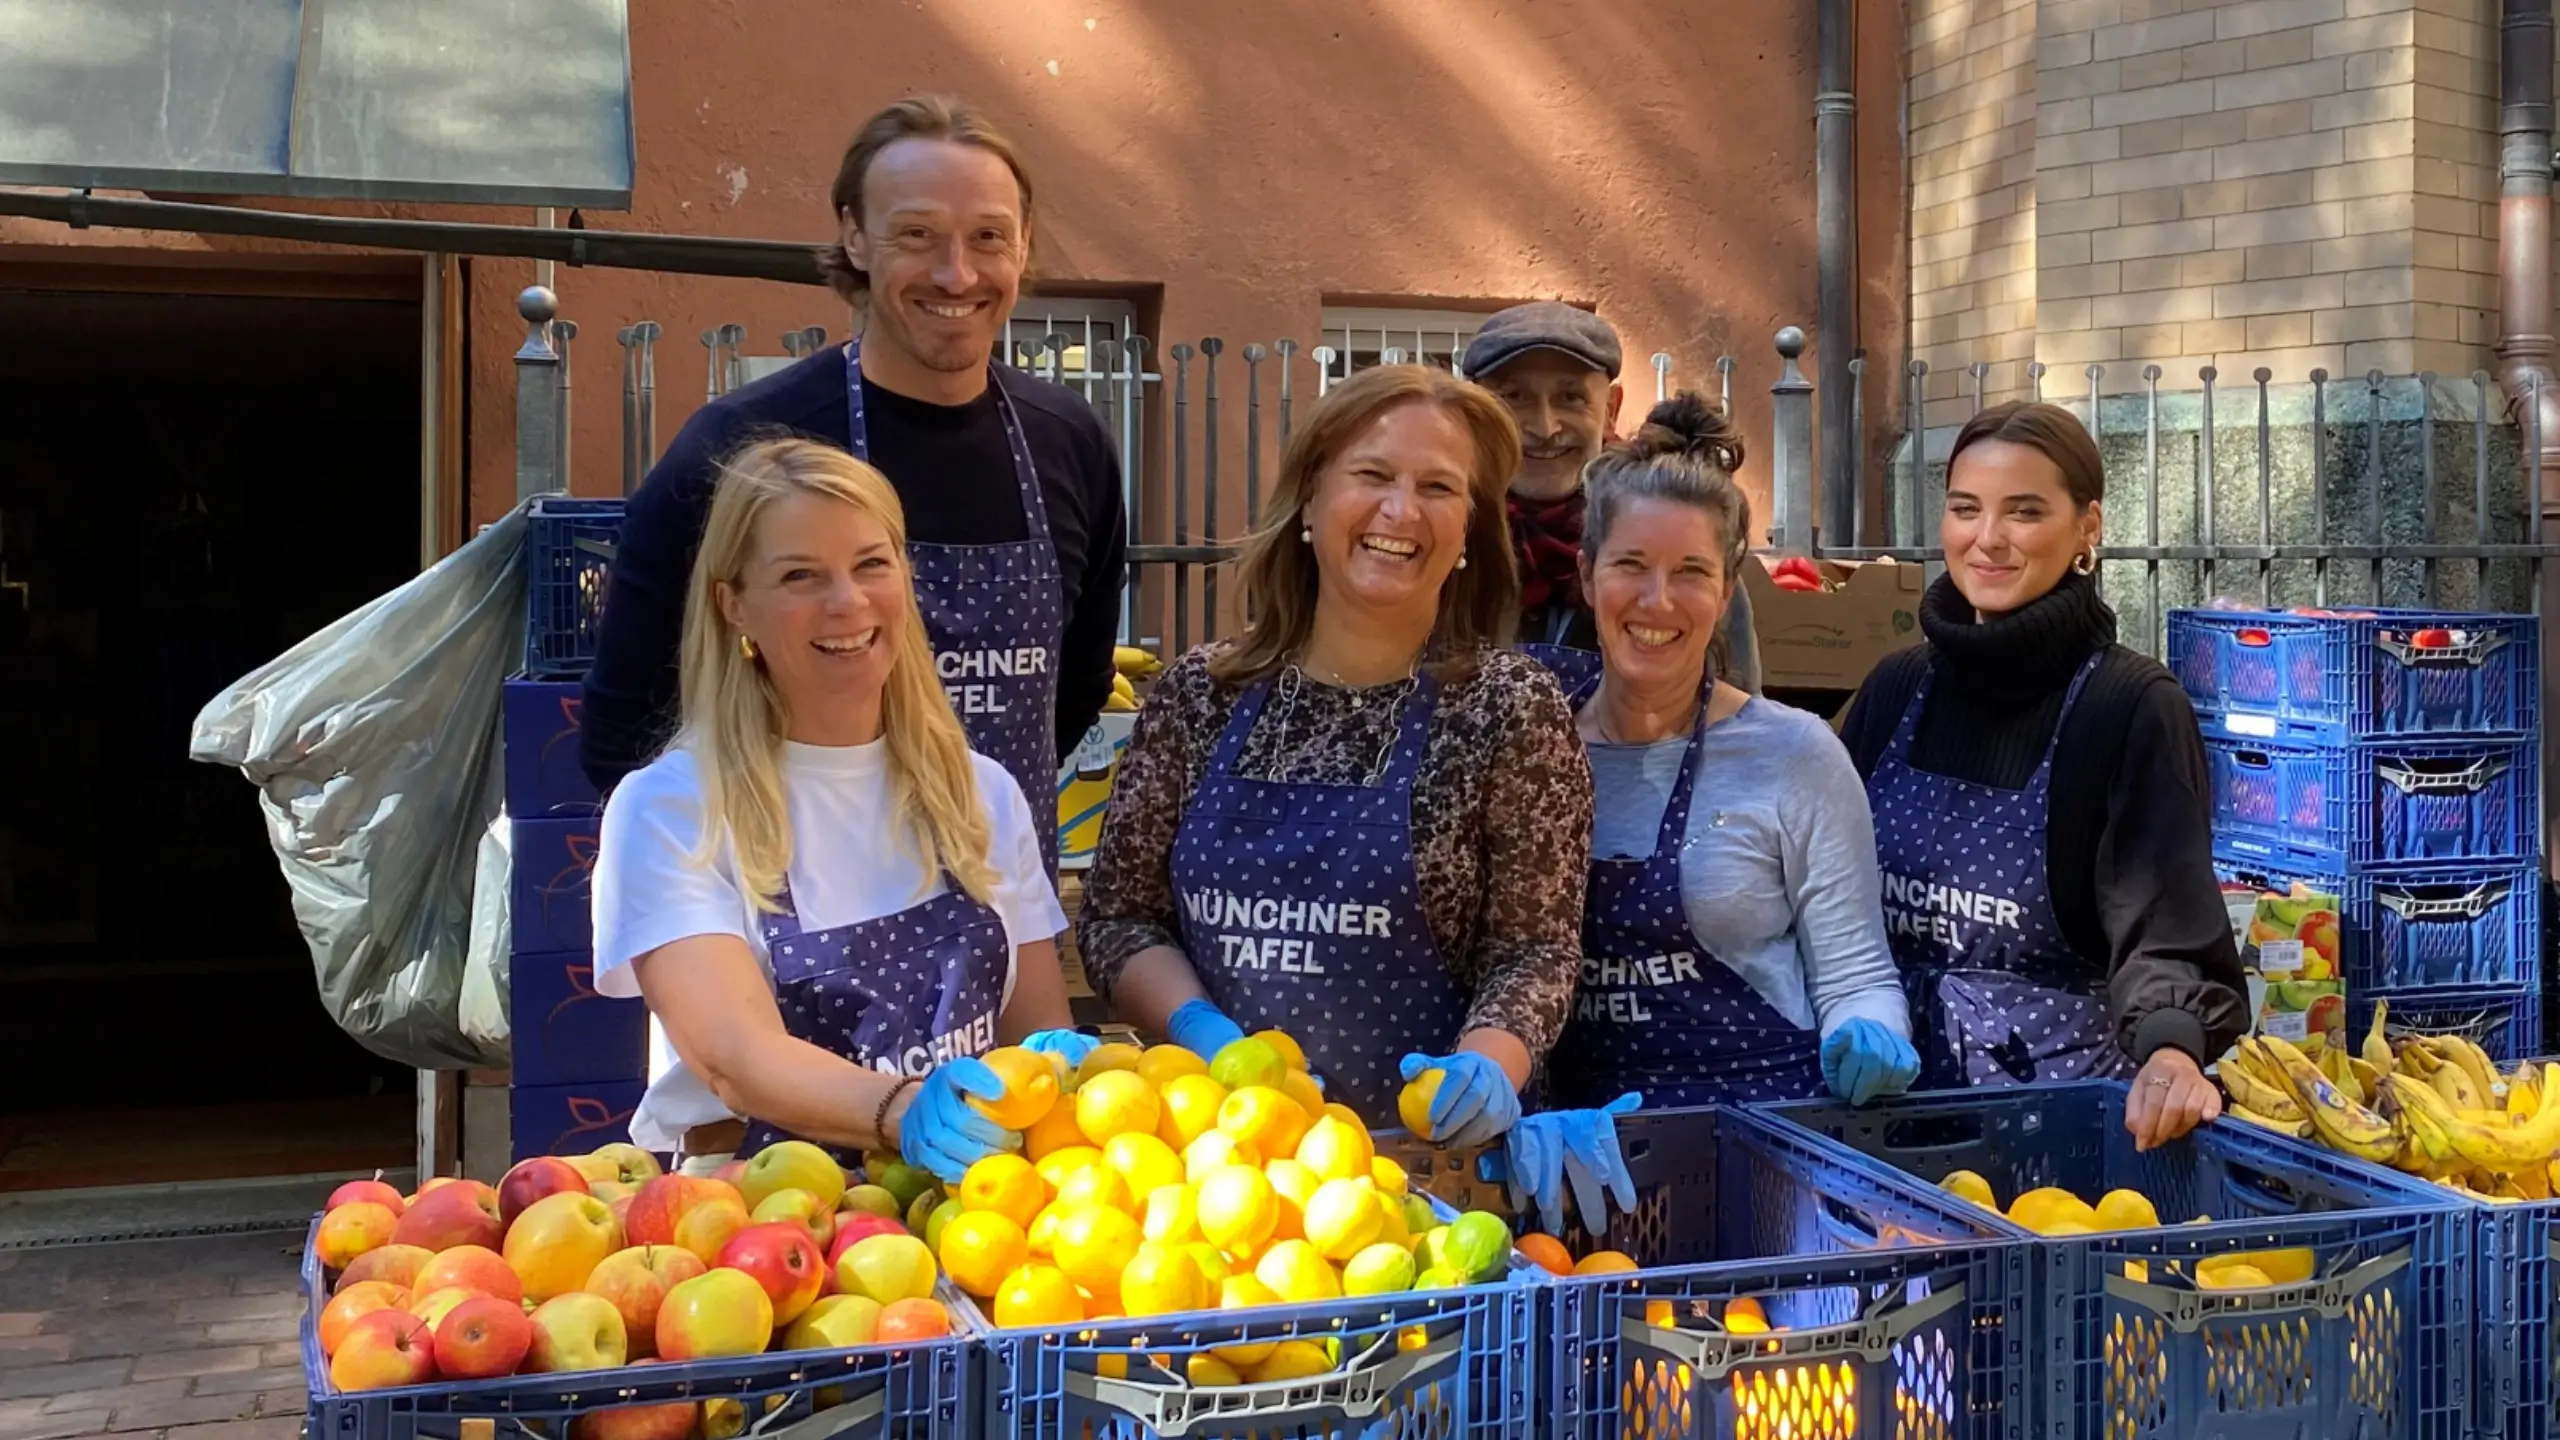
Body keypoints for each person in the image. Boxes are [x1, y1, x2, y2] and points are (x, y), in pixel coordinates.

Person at [1075, 364, 1629, 1231]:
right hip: (1229, 1191)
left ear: (1469, 532)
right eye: (1372, 476)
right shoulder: (1198, 696)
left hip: (1448, 1191)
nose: (1400, 513)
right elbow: (1119, 918)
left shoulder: (1509, 709)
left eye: (1438, 488)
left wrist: (1487, 1066)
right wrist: (1203, 1034)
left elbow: (1536, 952)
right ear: (1307, 501)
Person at [580, 95, 1128, 881]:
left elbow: (1073, 694)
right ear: (853, 236)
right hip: (782, 938)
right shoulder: (742, 446)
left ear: (1024, 246)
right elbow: (626, 725)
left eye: (988, 238)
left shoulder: (1069, 442)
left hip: (998, 923)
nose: (956, 273)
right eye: (917, 235)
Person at [590, 439, 1090, 1182]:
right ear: (734, 607)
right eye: (800, 576)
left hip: (978, 1226)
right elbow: (735, 1058)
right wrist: (903, 1110)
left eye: (871, 564)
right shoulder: (671, 812)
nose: (847, 603)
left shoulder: (980, 793)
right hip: (767, 1249)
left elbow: (1037, 1032)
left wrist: (1068, 1067)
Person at [1836, 401, 2248, 1151]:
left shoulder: (2129, 707)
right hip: (1881, 1123)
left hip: (2053, 1138)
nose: (1987, 539)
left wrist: (2171, 1049)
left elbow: (2166, 926)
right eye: (1966, 509)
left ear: (2088, 528)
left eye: (2023, 512)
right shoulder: (1895, 689)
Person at [1544, 393, 1918, 1134]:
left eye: (1690, 571)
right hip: (1573, 1153)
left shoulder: (1797, 753)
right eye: (1630, 565)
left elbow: (1858, 976)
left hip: (1764, 1145)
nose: (1658, 600)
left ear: (1725, 588)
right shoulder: (1535, 751)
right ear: (1587, 577)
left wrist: (1872, 1034)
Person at [1461, 302, 1759, 696]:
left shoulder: (1680, 551)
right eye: (1514, 397)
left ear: (1610, 410)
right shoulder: (1447, 547)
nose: (1545, 427)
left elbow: (1735, 724)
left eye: (1570, 397)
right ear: (1478, 410)